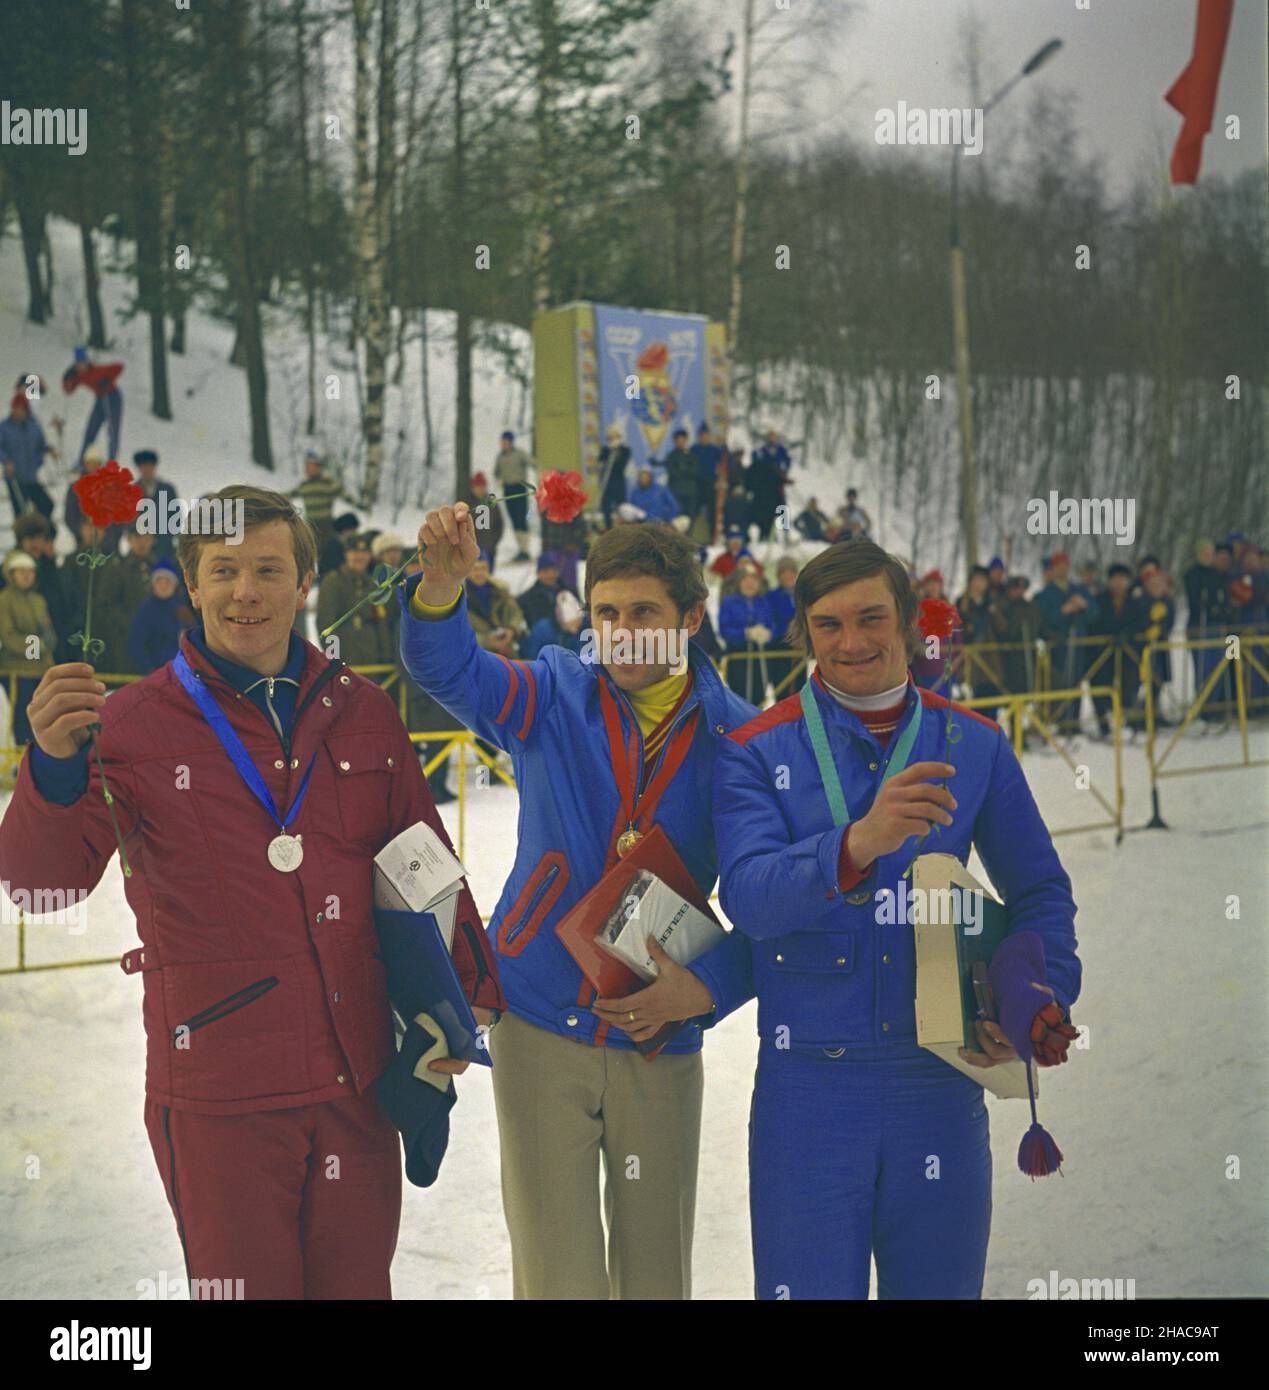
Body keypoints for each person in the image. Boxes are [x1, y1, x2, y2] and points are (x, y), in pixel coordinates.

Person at [0, 484, 504, 1297]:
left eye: (269, 569)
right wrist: (54, 773)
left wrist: (463, 1002)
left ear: (303, 583)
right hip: (221, 1095)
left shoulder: (364, 712)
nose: (246, 592)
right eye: (223, 570)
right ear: (191, 585)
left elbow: (426, 866)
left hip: (358, 1081)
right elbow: (42, 887)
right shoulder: (127, 725)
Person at [399, 510, 757, 1299]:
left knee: (656, 1276)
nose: (621, 634)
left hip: (658, 1031)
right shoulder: (553, 694)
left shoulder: (741, 739)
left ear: (690, 619)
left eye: (643, 614)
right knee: (557, 1278)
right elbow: (450, 670)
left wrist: (704, 991)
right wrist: (441, 588)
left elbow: (768, 905)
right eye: (605, 614)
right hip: (537, 1027)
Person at [713, 540, 1081, 1300]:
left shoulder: (973, 744)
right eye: (827, 624)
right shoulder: (754, 750)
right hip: (808, 1091)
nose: (850, 642)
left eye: (871, 617)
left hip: (938, 1087)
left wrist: (1034, 997)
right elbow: (747, 898)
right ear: (804, 633)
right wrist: (854, 846)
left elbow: (1040, 892)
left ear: (910, 622)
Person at [1034, 552, 1098, 734]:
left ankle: (1073, 720)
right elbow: (1044, 619)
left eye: (1065, 566)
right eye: (1058, 567)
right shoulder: (1046, 594)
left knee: (1076, 681)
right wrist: (1064, 611)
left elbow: (1095, 612)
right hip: (1058, 646)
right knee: (1058, 682)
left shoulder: (1079, 590)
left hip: (1078, 643)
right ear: (1052, 570)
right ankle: (1058, 720)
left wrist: (1083, 605)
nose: (1062, 570)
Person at [0, 550, 57, 746]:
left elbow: (48, 629)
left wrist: (50, 642)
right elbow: (8, 636)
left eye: (30, 571)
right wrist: (36, 646)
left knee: (44, 716)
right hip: (17, 671)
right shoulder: (4, 601)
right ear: (11, 573)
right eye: (21, 571)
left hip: (41, 669)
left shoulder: (38, 600)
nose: (26, 575)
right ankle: (22, 757)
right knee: (23, 717)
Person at [315, 533, 394, 669]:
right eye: (354, 552)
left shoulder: (372, 585)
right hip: (345, 653)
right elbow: (325, 622)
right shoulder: (333, 581)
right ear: (346, 555)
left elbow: (380, 621)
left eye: (364, 553)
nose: (359, 557)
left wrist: (385, 656)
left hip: (371, 654)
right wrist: (334, 657)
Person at [1088, 563, 1144, 736]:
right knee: (1100, 687)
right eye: (1115, 579)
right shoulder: (1099, 600)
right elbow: (1094, 623)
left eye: (1122, 579)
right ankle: (1103, 723)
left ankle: (1129, 720)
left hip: (1127, 653)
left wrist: (1127, 635)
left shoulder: (1134, 603)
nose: (1119, 583)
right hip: (1103, 653)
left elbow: (1139, 623)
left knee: (1130, 685)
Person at [96, 524, 156, 675]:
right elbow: (106, 605)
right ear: (129, 540)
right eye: (138, 537)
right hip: (126, 642)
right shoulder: (118, 568)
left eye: (147, 537)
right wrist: (129, 625)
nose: (143, 542)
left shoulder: (158, 568)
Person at [720, 566, 778, 706]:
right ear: (739, 583)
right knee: (739, 697)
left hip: (760, 658)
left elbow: (772, 624)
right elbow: (724, 629)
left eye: (754, 581)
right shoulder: (730, 602)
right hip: (739, 657)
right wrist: (745, 633)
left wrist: (768, 633)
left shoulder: (763, 602)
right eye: (746, 580)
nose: (750, 584)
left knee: (759, 696)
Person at [1, 390, 58, 523]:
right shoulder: (5, 427)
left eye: (21, 408)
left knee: (47, 505)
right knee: (20, 513)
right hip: (14, 478)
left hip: (31, 477)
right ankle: (22, 541)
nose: (18, 412)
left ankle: (41, 532)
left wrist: (49, 450)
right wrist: (5, 461)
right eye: (15, 408)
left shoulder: (34, 425)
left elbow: (41, 444)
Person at [62, 347, 124, 468]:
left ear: (87, 362)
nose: (81, 367)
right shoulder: (78, 375)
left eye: (83, 363)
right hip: (100, 400)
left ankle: (112, 463)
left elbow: (119, 367)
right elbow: (69, 390)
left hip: (113, 397)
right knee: (91, 430)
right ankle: (82, 461)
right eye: (78, 364)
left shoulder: (97, 370)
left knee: (112, 431)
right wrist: (67, 378)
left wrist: (108, 378)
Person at [127, 557, 185, 674]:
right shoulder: (145, 610)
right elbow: (136, 644)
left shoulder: (182, 607)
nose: (163, 585)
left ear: (174, 584)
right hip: (154, 673)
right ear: (153, 584)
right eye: (159, 581)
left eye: (167, 581)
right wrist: (149, 670)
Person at [462, 549, 525, 656]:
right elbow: (459, 633)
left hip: (505, 645)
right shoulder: (460, 597)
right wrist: (486, 642)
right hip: (475, 650)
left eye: (483, 568)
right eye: (475, 569)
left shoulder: (500, 591)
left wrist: (511, 630)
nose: (479, 573)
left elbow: (515, 613)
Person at [64, 447, 125, 556]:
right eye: (91, 463)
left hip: (109, 544)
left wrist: (113, 535)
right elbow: (70, 516)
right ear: (86, 464)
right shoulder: (75, 488)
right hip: (84, 544)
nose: (94, 467)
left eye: (97, 464)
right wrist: (81, 532)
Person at [132, 450, 180, 562]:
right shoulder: (132, 491)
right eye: (143, 466)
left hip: (164, 547)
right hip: (140, 549)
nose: (147, 470)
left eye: (150, 466)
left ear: (154, 467)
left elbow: (175, 518)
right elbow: (129, 521)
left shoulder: (168, 489)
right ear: (139, 468)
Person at [493, 430, 534, 561]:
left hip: (520, 488)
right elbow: (496, 472)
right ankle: (521, 549)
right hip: (508, 489)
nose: (503, 444)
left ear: (510, 442)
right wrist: (499, 479)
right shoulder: (500, 457)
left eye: (505, 441)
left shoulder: (519, 454)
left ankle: (526, 549)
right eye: (502, 442)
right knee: (514, 518)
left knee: (522, 518)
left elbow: (532, 462)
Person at [517, 550, 577, 631]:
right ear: (538, 573)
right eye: (546, 571)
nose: (550, 575)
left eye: (554, 570)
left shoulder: (570, 590)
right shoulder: (527, 599)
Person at [523, 587, 587, 660]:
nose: (575, 623)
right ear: (557, 612)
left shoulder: (585, 628)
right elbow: (532, 657)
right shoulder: (542, 629)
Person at [746, 432, 787, 541]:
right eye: (770, 437)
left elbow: (786, 463)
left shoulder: (781, 450)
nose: (772, 439)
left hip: (776, 486)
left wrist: (782, 471)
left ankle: (785, 531)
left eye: (774, 437)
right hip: (763, 489)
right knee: (762, 513)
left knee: (782, 507)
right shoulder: (762, 451)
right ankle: (763, 533)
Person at [690, 424, 722, 540]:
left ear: (709, 437)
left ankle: (712, 537)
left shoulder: (715, 450)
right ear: (699, 437)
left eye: (706, 436)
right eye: (702, 436)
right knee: (694, 511)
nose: (704, 438)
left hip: (710, 483)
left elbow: (723, 464)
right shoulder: (694, 449)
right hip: (697, 484)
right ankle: (692, 535)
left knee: (712, 512)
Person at [598, 428, 633, 531]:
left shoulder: (625, 450)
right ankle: (608, 527)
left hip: (618, 482)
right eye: (609, 438)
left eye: (613, 437)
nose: (610, 439)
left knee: (621, 506)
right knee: (606, 506)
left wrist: (616, 453)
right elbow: (601, 460)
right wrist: (610, 451)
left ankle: (623, 527)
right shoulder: (606, 450)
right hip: (607, 482)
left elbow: (620, 465)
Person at [663, 428, 698, 528]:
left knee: (689, 518)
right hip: (675, 492)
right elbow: (672, 473)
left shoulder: (691, 455)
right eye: (678, 440)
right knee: (675, 518)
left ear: (686, 441)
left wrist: (681, 469)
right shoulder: (671, 456)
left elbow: (695, 472)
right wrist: (685, 470)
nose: (680, 442)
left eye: (682, 440)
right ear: (675, 441)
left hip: (690, 492)